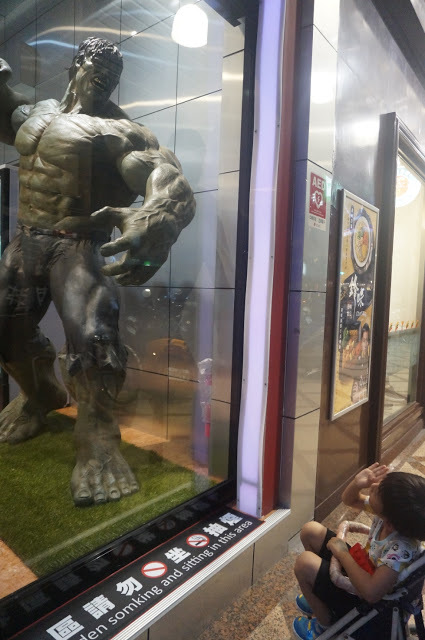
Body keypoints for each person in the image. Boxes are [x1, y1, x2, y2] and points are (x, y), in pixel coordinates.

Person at [0, 37, 196, 506]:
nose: (105, 76)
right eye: (98, 66)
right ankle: (40, 394)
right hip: (26, 240)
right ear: (77, 67)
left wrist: (155, 214)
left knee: (94, 340)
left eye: (114, 73)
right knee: (5, 330)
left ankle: (99, 438)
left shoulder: (119, 132)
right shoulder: (36, 113)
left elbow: (169, 180)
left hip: (77, 244)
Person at [293, 463, 425, 639]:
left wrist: (342, 553)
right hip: (363, 568)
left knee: (304, 564)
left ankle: (324, 624)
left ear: (389, 523)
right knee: (311, 531)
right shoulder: (390, 516)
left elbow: (371, 593)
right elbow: (350, 500)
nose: (374, 486)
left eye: (378, 492)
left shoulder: (400, 550)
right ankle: (319, 597)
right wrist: (357, 484)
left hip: (365, 602)